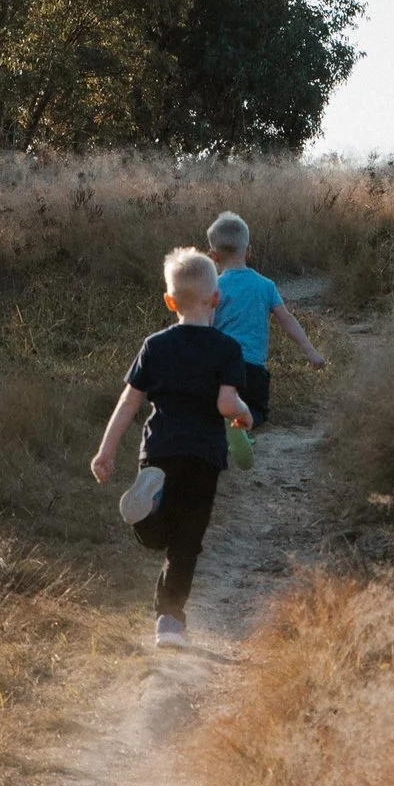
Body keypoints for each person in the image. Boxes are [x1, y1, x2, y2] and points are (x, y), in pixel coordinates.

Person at [90, 246, 254, 648]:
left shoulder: (155, 345)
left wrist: (106, 451)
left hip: (159, 450)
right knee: (186, 541)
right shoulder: (227, 349)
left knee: (157, 533)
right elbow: (225, 404)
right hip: (202, 455)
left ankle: (146, 513)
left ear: (169, 301)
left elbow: (129, 402)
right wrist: (244, 414)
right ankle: (170, 621)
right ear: (216, 299)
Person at [202, 209, 328, 428]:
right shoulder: (265, 285)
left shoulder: (214, 287)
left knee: (215, 408)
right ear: (248, 251)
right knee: (258, 411)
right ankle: (245, 427)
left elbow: (206, 325)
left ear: (213, 256)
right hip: (253, 368)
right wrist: (310, 351)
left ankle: (227, 425)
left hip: (221, 368)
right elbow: (286, 319)